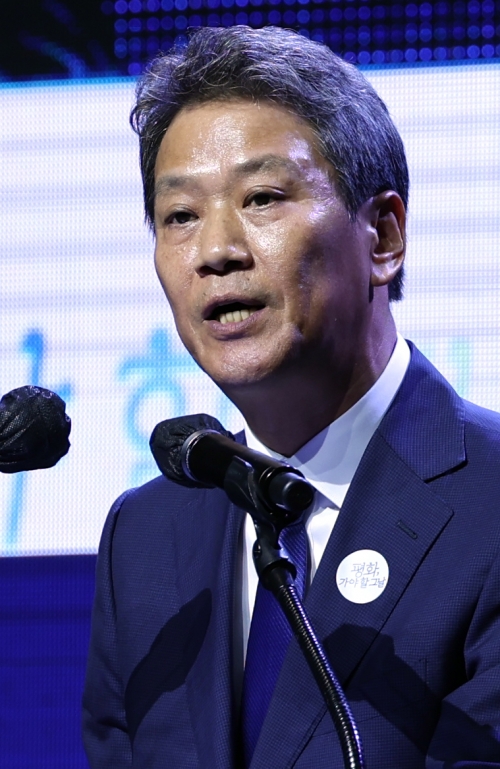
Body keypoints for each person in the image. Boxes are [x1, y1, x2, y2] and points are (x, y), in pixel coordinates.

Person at [82, 25, 500, 768]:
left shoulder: (489, 503)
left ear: (383, 237)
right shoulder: (144, 538)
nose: (216, 251)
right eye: (180, 216)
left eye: (263, 198)